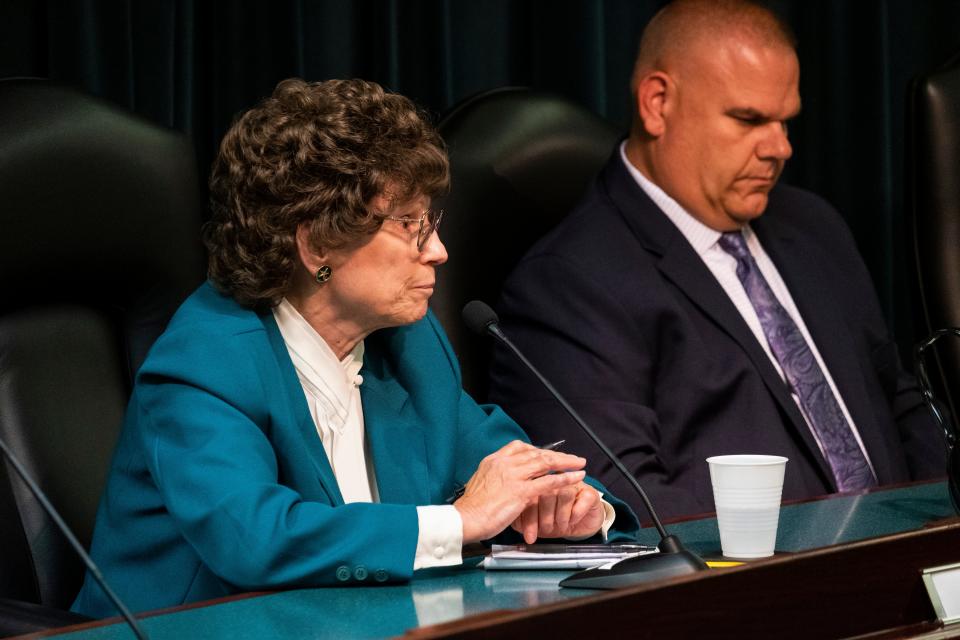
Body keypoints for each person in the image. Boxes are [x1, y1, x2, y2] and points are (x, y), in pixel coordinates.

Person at [71, 78, 639, 617]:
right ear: (318, 242)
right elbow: (255, 537)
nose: (438, 250)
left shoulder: (406, 343)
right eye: (411, 226)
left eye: (432, 222)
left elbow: (499, 460)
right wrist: (459, 522)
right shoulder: (205, 360)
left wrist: (580, 506)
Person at [488, 0, 946, 522]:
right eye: (749, 119)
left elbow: (898, 404)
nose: (780, 147)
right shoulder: (568, 283)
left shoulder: (814, 226)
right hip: (760, 582)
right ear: (658, 103)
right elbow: (621, 500)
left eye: (784, 122)